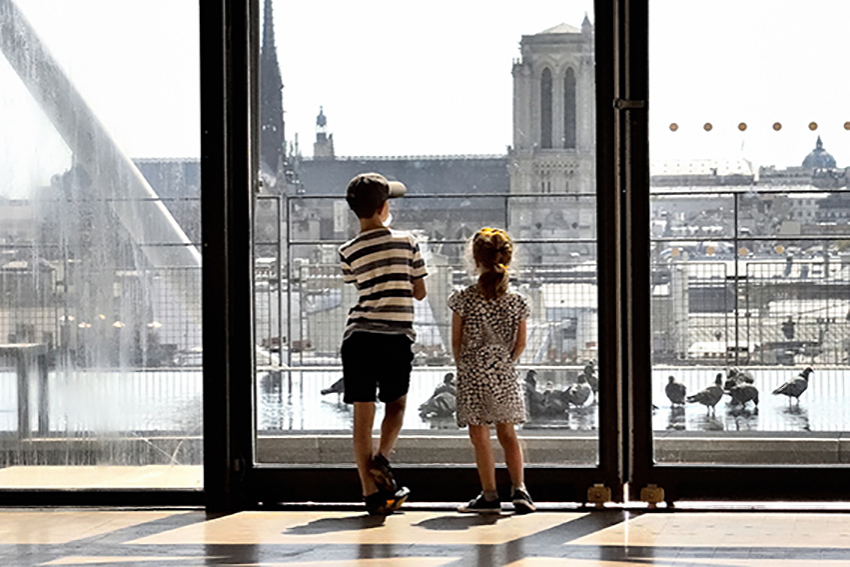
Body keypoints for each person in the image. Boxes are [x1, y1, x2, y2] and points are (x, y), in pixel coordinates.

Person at [338, 172, 428, 516]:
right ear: (384, 207)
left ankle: (369, 492)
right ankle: (382, 459)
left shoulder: (347, 250)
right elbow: (419, 293)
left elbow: (356, 282)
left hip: (358, 337)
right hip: (395, 336)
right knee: (397, 406)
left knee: (362, 415)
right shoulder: (408, 241)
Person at [448, 227, 535, 514]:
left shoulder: (463, 297)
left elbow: (456, 341)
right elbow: (521, 343)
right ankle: (520, 489)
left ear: (475, 260)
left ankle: (489, 493)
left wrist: (466, 364)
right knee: (508, 433)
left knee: (480, 435)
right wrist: (504, 360)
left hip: (473, 370)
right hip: (504, 371)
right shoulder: (517, 301)